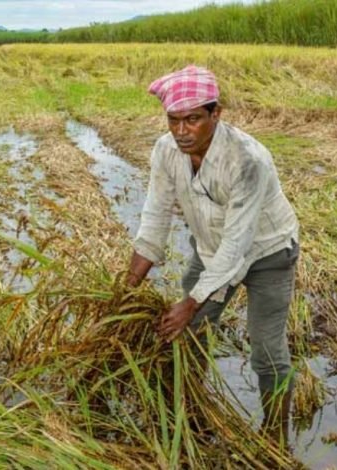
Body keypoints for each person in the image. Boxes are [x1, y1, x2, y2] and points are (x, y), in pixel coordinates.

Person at [125, 65, 300, 448]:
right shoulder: (165, 151)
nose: (182, 131)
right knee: (187, 336)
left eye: (193, 119)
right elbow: (155, 217)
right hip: (210, 249)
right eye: (174, 120)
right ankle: (191, 414)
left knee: (267, 351)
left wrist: (191, 301)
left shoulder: (247, 160)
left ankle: (274, 436)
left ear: (215, 114)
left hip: (267, 252)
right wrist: (127, 286)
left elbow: (237, 246)